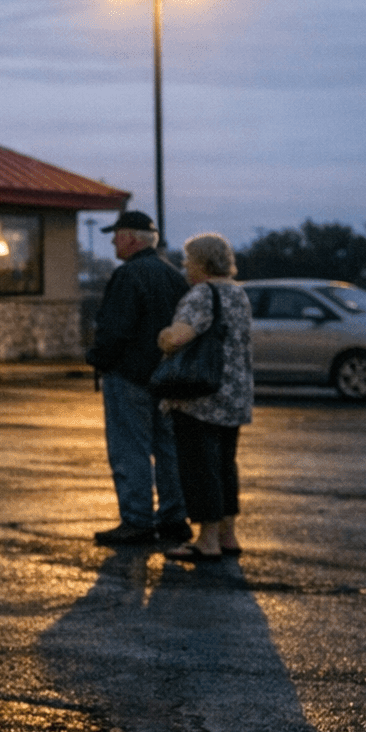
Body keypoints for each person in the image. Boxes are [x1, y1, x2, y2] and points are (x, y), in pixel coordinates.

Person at [85, 210, 192, 546]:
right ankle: (175, 517)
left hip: (128, 375)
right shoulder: (173, 276)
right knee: (168, 449)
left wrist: (98, 359)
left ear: (130, 238)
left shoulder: (128, 276)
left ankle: (137, 520)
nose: (114, 242)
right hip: (165, 376)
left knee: (130, 449)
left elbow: (115, 330)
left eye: (116, 235)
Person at [157, 233, 254, 562]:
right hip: (235, 393)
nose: (185, 268)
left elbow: (179, 338)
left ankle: (207, 540)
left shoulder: (201, 294)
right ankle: (228, 535)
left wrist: (164, 336)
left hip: (201, 396)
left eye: (188, 261)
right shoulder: (238, 294)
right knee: (226, 466)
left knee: (200, 467)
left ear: (200, 263)